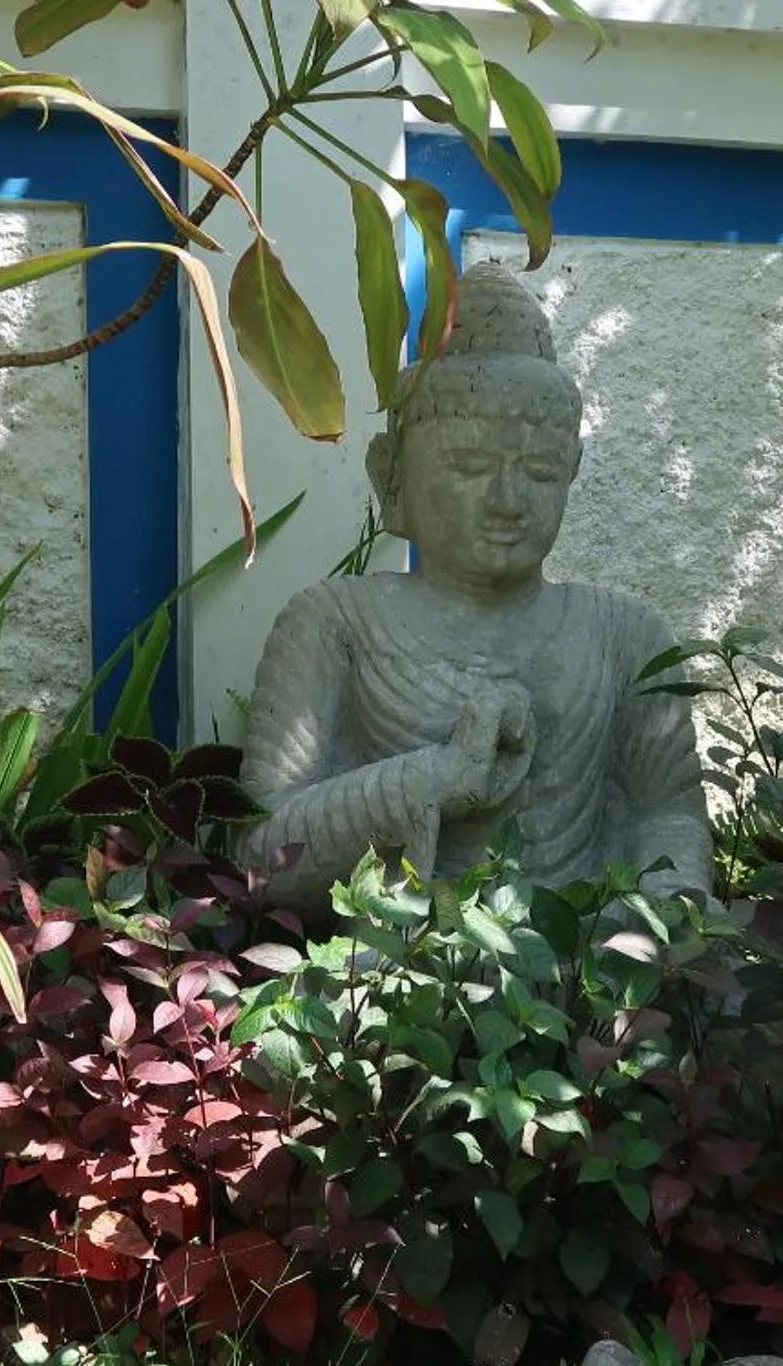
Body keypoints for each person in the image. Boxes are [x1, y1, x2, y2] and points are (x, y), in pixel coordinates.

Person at [237, 262, 712, 902]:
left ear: (572, 471)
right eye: (469, 464)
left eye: (541, 471)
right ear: (392, 476)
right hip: (395, 977)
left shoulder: (625, 635)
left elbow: (669, 815)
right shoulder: (336, 623)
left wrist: (672, 908)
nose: (509, 501)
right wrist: (433, 779)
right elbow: (264, 857)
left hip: (588, 976)